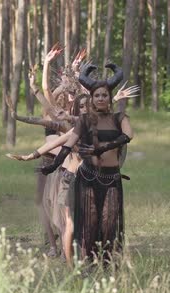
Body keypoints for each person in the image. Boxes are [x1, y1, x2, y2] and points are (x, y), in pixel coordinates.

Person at [40, 63, 133, 265]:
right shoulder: (83, 120)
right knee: (88, 222)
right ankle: (87, 264)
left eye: (104, 95)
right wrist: (53, 165)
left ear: (110, 98)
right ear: (92, 99)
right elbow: (68, 145)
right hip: (87, 178)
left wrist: (102, 148)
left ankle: (108, 264)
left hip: (111, 179)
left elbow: (127, 136)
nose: (100, 98)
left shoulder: (119, 118)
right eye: (97, 95)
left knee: (109, 222)